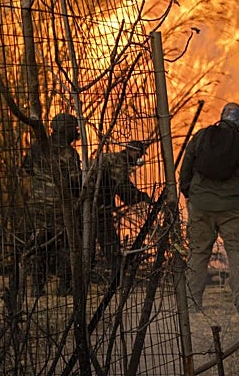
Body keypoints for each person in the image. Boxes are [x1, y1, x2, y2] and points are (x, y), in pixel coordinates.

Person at [179, 102, 239, 314]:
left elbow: (185, 168)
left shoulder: (201, 136)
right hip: (232, 209)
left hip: (201, 206)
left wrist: (189, 193)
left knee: (198, 252)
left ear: (222, 116)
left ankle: (191, 304)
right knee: (237, 252)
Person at [19, 112, 83, 297]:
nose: (75, 132)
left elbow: (27, 168)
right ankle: (64, 286)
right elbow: (74, 182)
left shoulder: (38, 146)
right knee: (64, 244)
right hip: (58, 206)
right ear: (66, 130)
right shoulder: (68, 153)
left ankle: (37, 288)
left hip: (37, 204)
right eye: (73, 129)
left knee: (39, 246)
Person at [92, 140, 152, 286]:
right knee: (111, 247)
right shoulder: (119, 162)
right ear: (134, 152)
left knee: (86, 246)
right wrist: (141, 197)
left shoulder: (112, 159)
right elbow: (125, 191)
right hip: (97, 209)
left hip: (91, 207)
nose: (139, 159)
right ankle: (117, 282)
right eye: (140, 155)